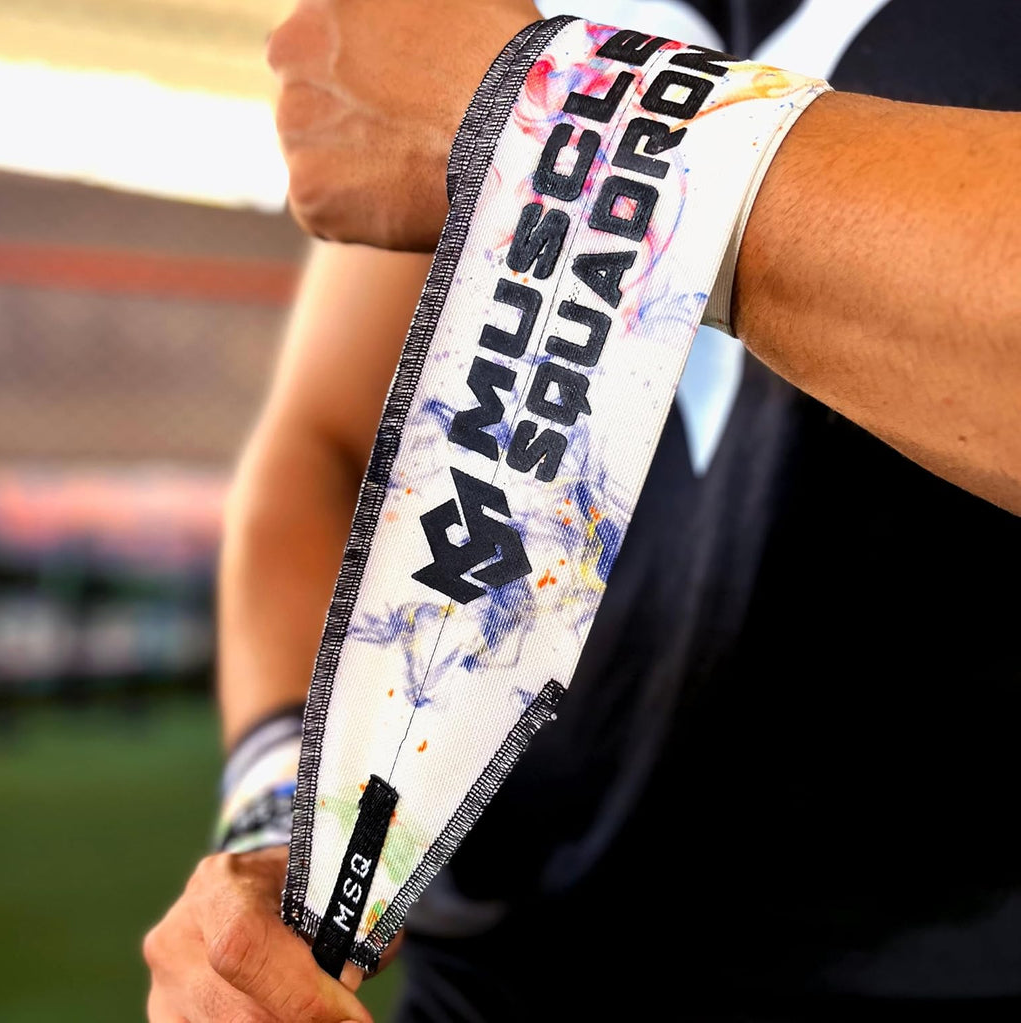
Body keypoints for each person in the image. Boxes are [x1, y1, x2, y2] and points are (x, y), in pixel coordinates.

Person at [143, 1, 1021, 1019]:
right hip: (489, 980)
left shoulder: (520, 62)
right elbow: (327, 447)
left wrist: (559, 115)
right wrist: (282, 815)